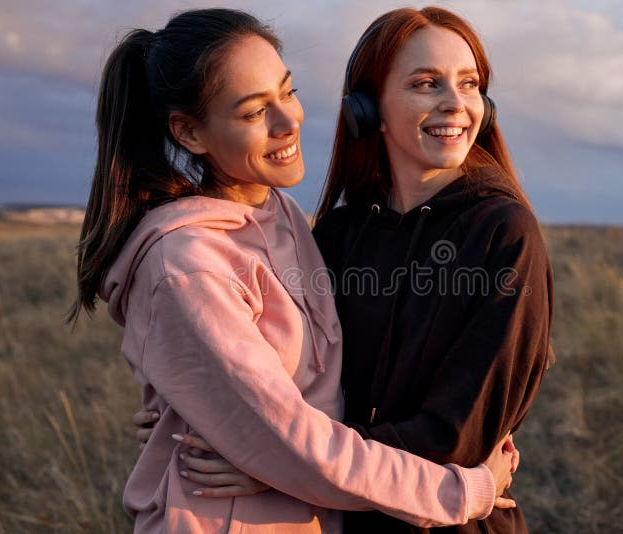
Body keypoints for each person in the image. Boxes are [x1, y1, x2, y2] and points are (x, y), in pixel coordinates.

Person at [71, 7, 518, 534]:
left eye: (288, 91)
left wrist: (247, 439)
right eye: (254, 111)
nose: (289, 121)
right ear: (190, 132)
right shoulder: (188, 265)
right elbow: (292, 442)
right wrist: (464, 489)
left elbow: (298, 424)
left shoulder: (281, 216)